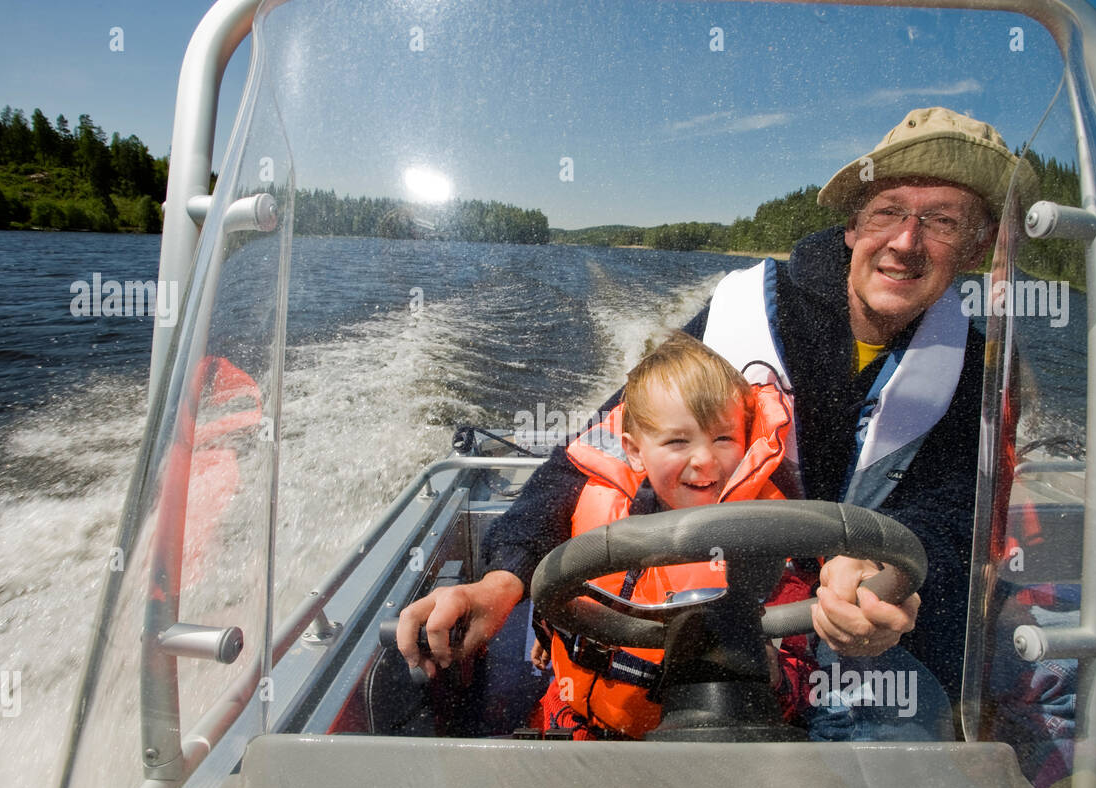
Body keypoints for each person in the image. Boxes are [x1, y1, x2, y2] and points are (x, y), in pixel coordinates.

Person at [398, 106, 1020, 705]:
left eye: (941, 222)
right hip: (715, 601)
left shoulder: (976, 372)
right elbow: (598, 449)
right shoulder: (743, 314)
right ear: (854, 226)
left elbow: (959, 520)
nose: (906, 242)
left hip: (858, 629)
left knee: (928, 718)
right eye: (888, 212)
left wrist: (891, 580)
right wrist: (503, 577)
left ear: (977, 246)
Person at [527, 331, 801, 739]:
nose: (704, 459)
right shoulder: (599, 504)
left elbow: (801, 672)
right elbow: (566, 586)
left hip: (701, 744)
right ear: (635, 451)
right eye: (678, 441)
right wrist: (555, 631)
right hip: (573, 722)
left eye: (723, 438)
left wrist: (776, 674)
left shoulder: (767, 543)